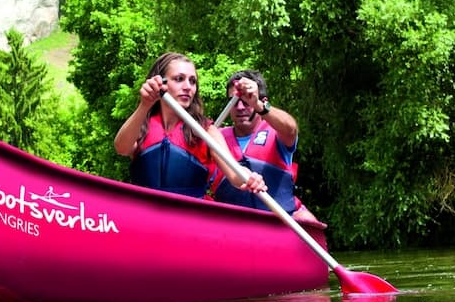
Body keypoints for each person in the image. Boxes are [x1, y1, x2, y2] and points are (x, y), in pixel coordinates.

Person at [113, 52, 267, 199]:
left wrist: (250, 177)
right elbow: (122, 148)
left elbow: (235, 174)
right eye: (179, 79)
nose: (188, 87)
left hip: (187, 217)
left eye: (192, 81)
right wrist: (144, 105)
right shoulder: (142, 123)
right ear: (161, 83)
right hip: (144, 214)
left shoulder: (206, 129)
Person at [214, 70, 320, 223]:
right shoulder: (215, 136)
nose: (240, 107)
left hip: (276, 223)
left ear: (261, 100)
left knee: (307, 219)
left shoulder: (278, 132)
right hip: (230, 226)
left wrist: (258, 105)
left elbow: (291, 129)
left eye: (246, 100)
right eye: (234, 101)